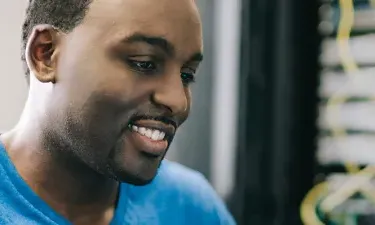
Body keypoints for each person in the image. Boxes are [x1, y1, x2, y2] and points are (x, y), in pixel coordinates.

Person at [0, 0, 236, 224]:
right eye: (144, 63)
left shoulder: (193, 208)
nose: (178, 101)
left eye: (187, 75)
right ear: (46, 54)